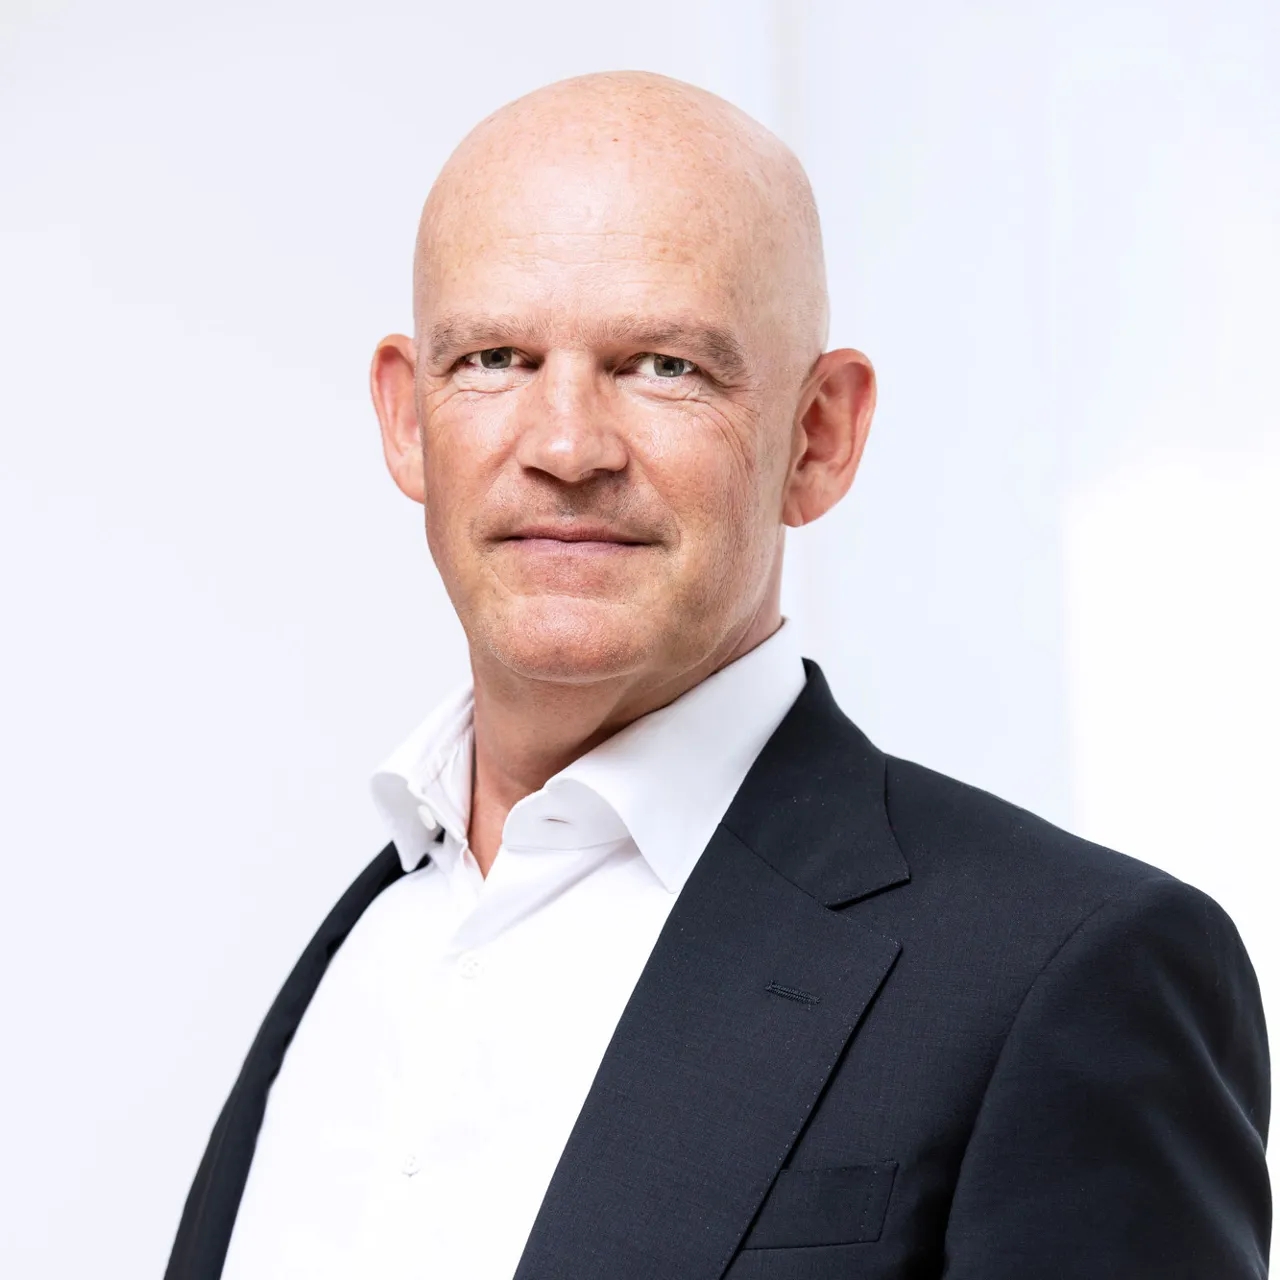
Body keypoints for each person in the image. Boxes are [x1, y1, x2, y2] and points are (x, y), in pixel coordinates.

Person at [165, 71, 1270, 1280]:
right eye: (494, 357)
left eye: (663, 365)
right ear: (405, 417)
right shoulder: (367, 938)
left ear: (818, 433)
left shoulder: (1066, 970)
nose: (565, 446)